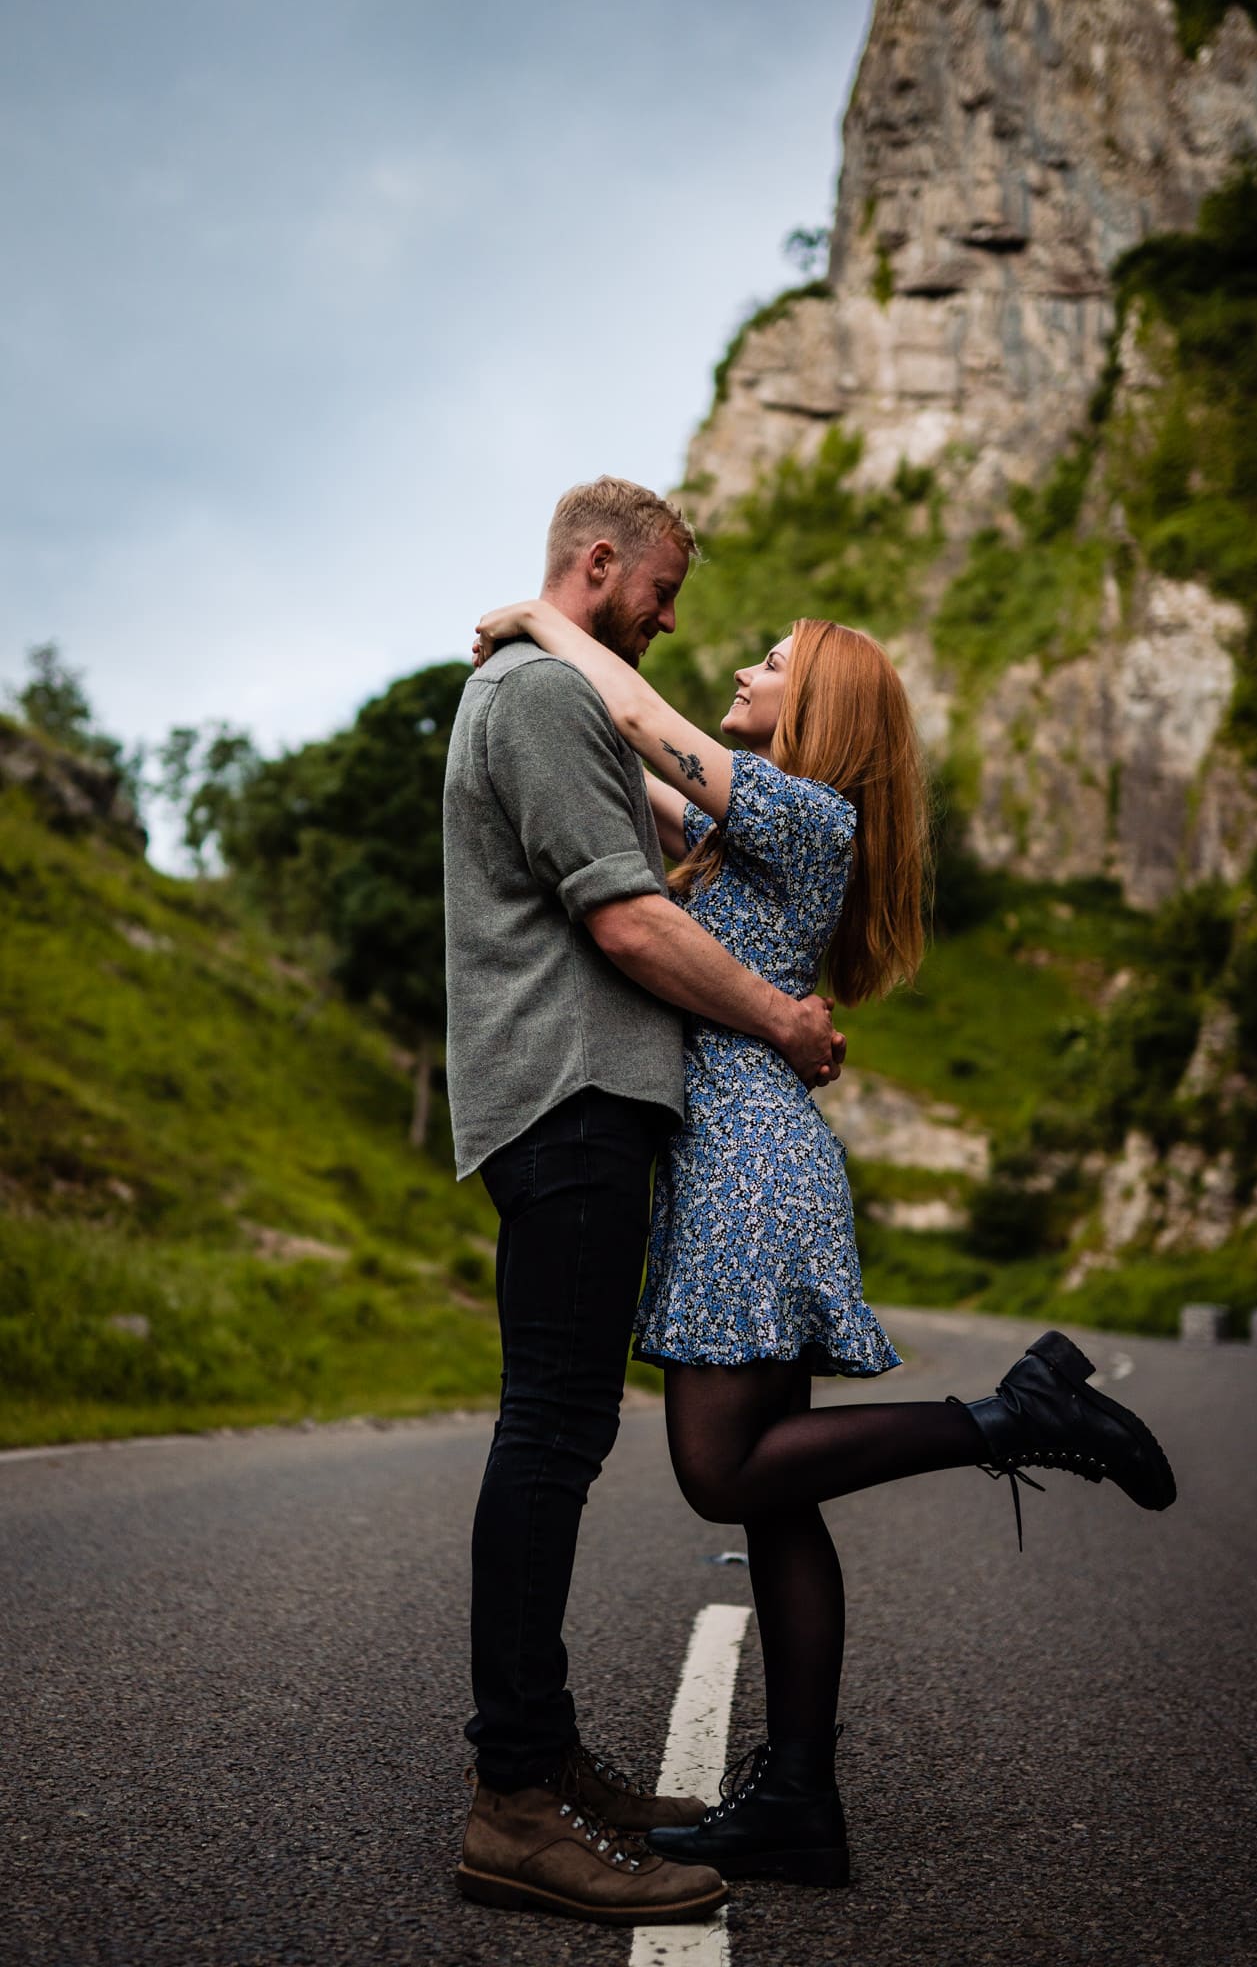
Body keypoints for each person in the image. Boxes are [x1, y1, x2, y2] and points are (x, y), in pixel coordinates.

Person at [471, 596, 1179, 1889]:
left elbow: (635, 714)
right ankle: (798, 1800)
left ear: (818, 712)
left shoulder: (803, 814)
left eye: (771, 663)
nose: (742, 665)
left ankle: (1007, 1420)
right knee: (780, 1496)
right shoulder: (758, 831)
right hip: (748, 1156)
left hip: (744, 1164)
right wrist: (528, 682)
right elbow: (617, 761)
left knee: (721, 1472)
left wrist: (534, 619)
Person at [442, 476, 845, 1928]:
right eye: (660, 590)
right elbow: (627, 917)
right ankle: (513, 1804)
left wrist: (546, 630)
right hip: (567, 1096)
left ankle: (541, 1760)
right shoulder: (543, 700)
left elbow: (655, 755)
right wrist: (786, 1026)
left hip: (579, 1100)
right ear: (598, 564)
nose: (676, 621)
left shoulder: (562, 684)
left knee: (557, 1428)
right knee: (549, 1429)